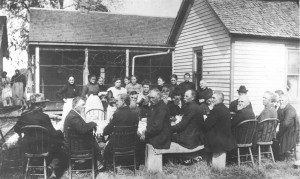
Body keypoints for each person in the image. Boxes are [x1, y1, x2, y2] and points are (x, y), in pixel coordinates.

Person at [14, 93, 65, 179]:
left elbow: (16, 129)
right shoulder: (44, 116)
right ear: (40, 105)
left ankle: (36, 166)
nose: (45, 105)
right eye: (43, 103)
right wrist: (60, 132)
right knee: (59, 142)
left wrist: (24, 133)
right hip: (42, 148)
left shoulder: (24, 115)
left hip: (28, 148)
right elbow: (53, 133)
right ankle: (52, 166)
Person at [63, 96, 104, 169]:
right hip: (74, 147)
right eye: (82, 105)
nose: (85, 107)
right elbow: (83, 129)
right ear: (75, 106)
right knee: (93, 140)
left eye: (85, 104)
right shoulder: (73, 116)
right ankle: (99, 162)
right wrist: (93, 123)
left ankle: (98, 162)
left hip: (75, 143)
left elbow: (83, 126)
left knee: (93, 139)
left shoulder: (74, 114)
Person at [102, 93, 139, 168]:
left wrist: (104, 131)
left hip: (118, 144)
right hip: (131, 143)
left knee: (104, 141)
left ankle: (108, 163)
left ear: (124, 102)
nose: (116, 102)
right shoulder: (135, 114)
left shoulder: (117, 114)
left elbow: (107, 130)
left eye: (117, 101)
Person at [204, 92, 237, 168]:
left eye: (214, 98)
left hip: (218, 139)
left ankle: (203, 160)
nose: (212, 99)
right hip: (225, 137)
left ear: (220, 99)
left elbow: (207, 125)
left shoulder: (216, 109)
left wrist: (206, 118)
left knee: (201, 134)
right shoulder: (225, 108)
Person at [276, 95, 298, 161]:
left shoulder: (290, 110)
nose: (281, 102)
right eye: (280, 100)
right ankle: (277, 155)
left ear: (287, 101)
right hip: (285, 130)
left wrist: (279, 131)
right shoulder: (282, 108)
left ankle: (281, 156)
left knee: (278, 137)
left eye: (282, 100)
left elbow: (286, 123)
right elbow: (277, 118)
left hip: (291, 133)